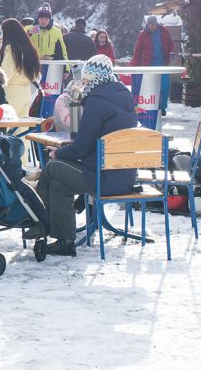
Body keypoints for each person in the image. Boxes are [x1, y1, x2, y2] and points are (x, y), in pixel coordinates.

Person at [36, 55, 137, 256]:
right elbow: (80, 140)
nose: (82, 83)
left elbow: (80, 146)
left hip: (102, 178)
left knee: (51, 168)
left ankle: (40, 225)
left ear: (92, 79)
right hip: (124, 176)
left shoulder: (96, 102)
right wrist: (76, 105)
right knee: (58, 185)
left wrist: (57, 152)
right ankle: (63, 240)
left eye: (84, 80)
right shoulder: (125, 97)